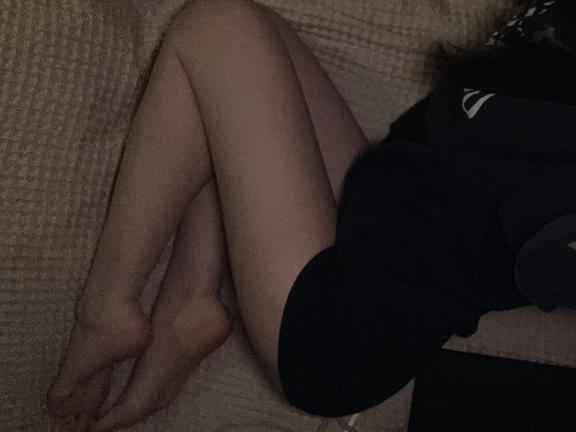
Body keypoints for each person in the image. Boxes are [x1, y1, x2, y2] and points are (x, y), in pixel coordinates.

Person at [47, 0, 576, 430]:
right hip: (372, 211)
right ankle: (190, 301)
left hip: (344, 333)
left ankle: (108, 308)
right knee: (243, 55)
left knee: (218, 28)